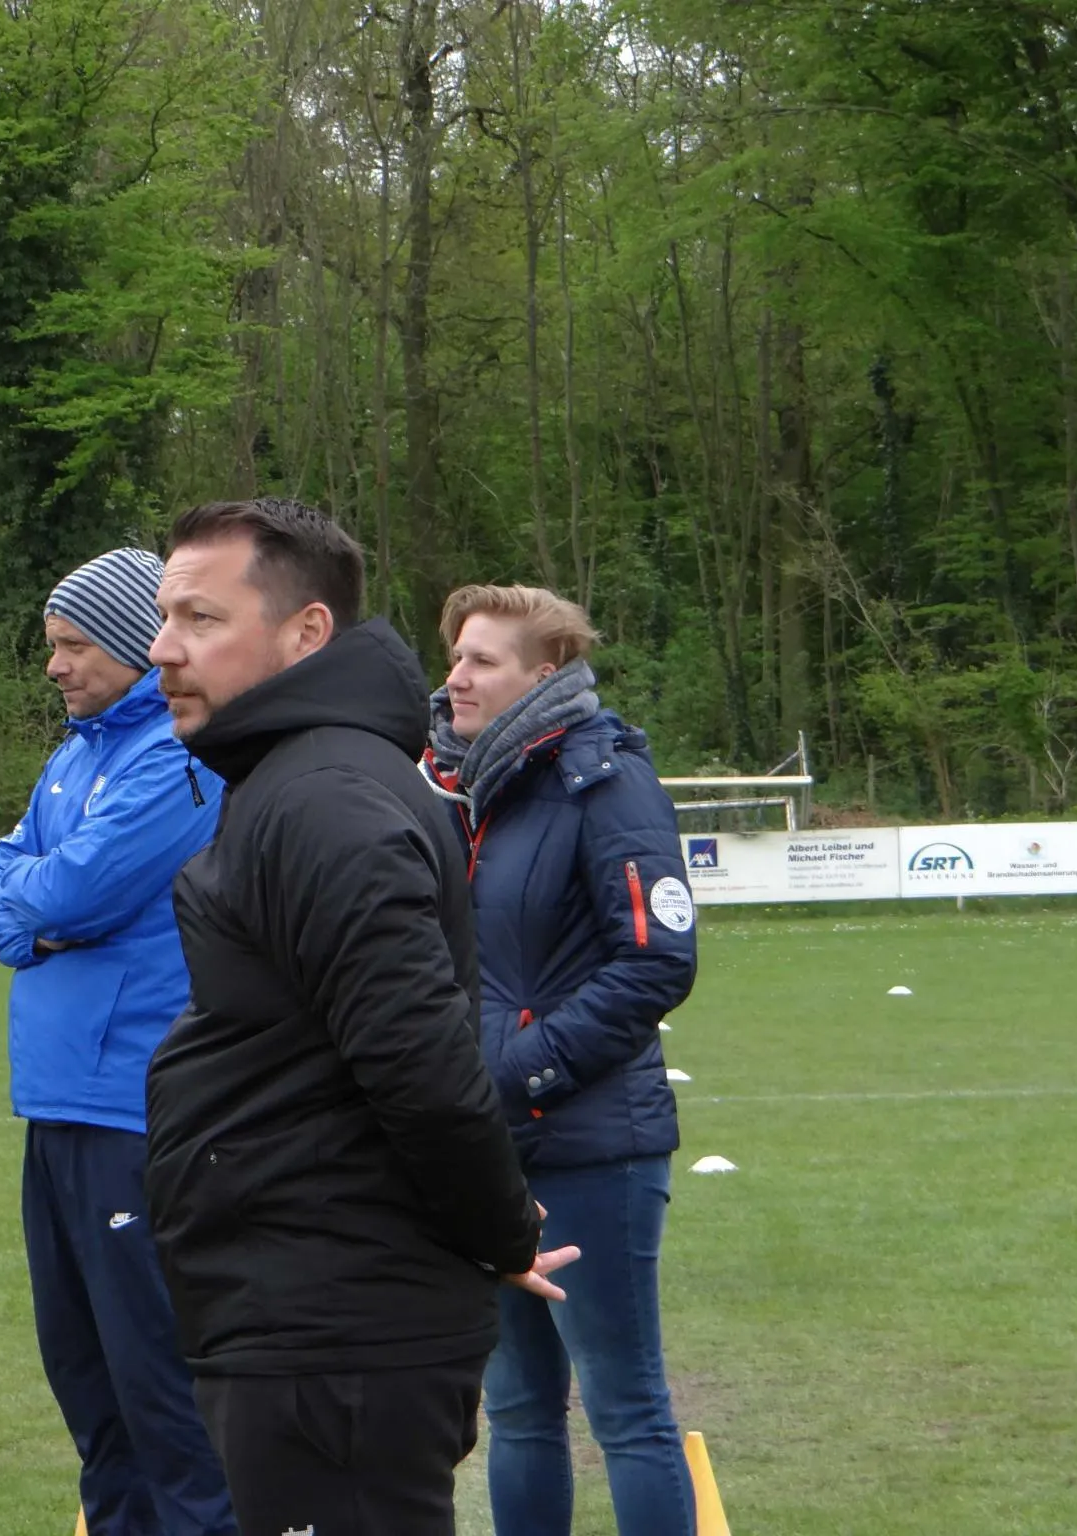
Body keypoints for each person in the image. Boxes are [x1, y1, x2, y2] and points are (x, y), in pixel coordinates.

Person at [141, 498, 577, 1536]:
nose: (162, 649)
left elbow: (420, 1064)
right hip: (302, 1309)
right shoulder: (290, 780)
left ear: (306, 633)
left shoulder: (324, 799)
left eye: (201, 619)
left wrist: (497, 1227)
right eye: (163, 619)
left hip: (333, 1330)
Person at [0, 548, 236, 1536]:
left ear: (131, 644)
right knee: (91, 1397)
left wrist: (36, 911)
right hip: (54, 1104)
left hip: (134, 1109)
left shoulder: (177, 757)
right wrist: (31, 914)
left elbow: (72, 892)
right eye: (52, 645)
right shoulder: (73, 755)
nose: (55, 666)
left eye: (74, 645)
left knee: (162, 1401)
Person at [424, 584, 699, 1536]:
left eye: (482, 661)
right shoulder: (452, 787)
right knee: (516, 1412)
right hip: (481, 1146)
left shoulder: (608, 781)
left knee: (626, 1409)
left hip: (592, 1146)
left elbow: (657, 961)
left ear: (545, 674)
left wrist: (517, 1072)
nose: (455, 678)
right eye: (455, 657)